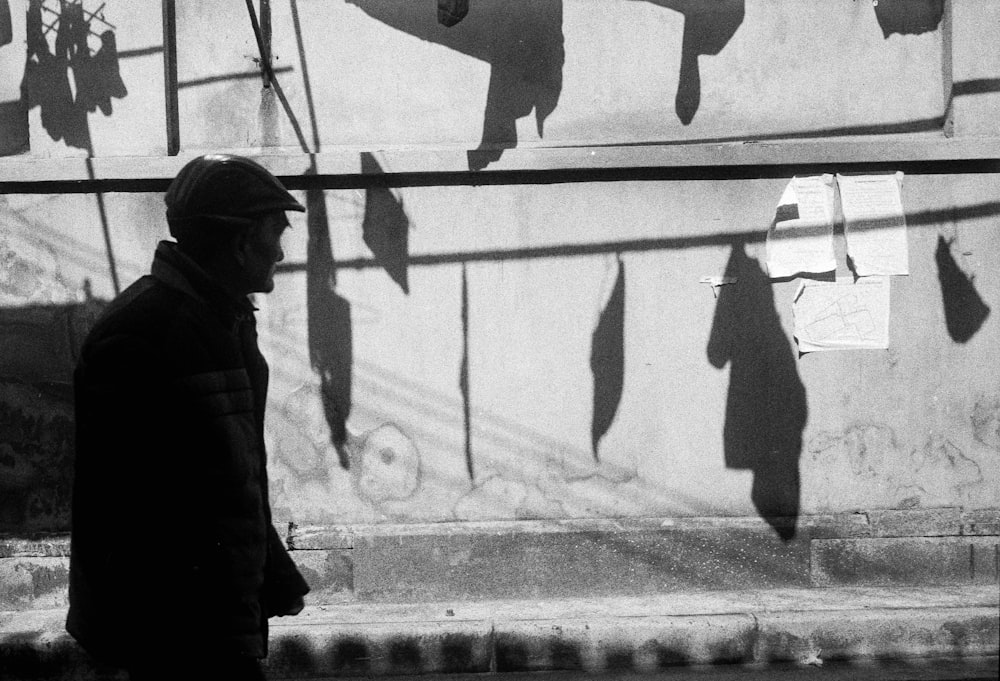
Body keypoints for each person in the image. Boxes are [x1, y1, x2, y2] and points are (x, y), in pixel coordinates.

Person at [67, 154, 311, 681]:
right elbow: (125, 503)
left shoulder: (221, 323)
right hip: (179, 628)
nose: (282, 251)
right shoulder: (146, 333)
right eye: (275, 233)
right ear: (243, 242)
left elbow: (230, 475)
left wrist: (266, 566)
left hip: (215, 615)